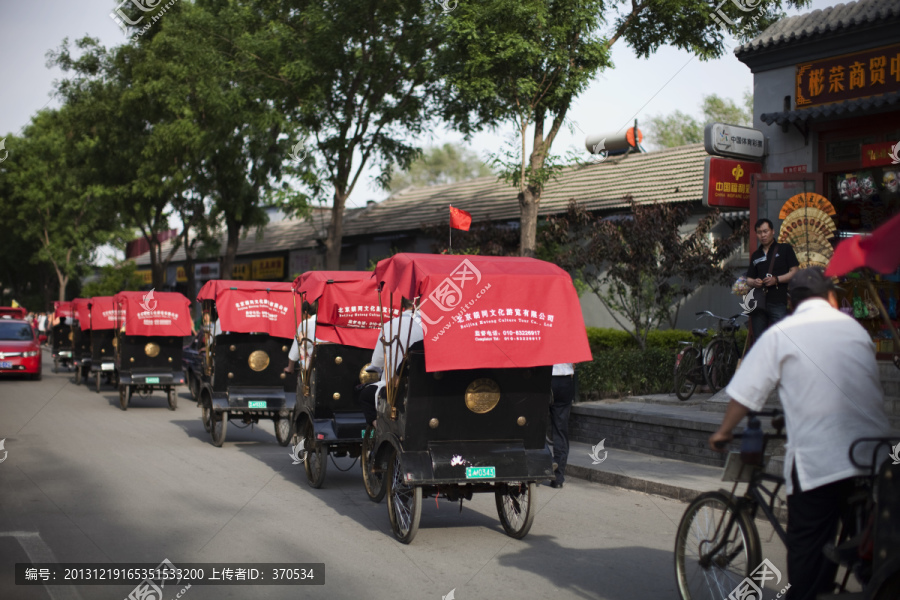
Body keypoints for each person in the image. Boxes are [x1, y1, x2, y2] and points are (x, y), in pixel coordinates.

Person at [709, 267, 892, 600]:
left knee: (808, 562)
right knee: (867, 546)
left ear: (791, 301)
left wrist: (723, 432)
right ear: (831, 298)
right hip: (874, 456)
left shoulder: (783, 332)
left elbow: (744, 394)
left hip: (823, 460)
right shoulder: (856, 331)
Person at [357, 297, 423, 427]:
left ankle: (379, 428)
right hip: (425, 384)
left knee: (364, 395)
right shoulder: (431, 326)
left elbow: (377, 362)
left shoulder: (390, 326)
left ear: (402, 305)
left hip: (398, 387)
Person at [745, 218, 799, 340]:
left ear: (773, 231)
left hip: (778, 302)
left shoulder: (785, 249)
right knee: (760, 340)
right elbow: (748, 279)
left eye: (765, 231)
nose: (763, 235)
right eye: (759, 232)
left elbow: (795, 272)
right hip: (759, 305)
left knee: (783, 338)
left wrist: (777, 279)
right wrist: (754, 282)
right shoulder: (756, 255)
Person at [549, 363, 576, 489]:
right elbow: (575, 362)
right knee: (560, 430)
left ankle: (543, 463)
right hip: (566, 380)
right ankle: (558, 478)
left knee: (536, 426)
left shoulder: (545, 341)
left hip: (546, 378)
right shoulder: (570, 342)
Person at [284, 301, 317, 374]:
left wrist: (290, 367)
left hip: (311, 364)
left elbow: (296, 347)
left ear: (305, 312)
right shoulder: (329, 322)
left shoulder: (306, 323)